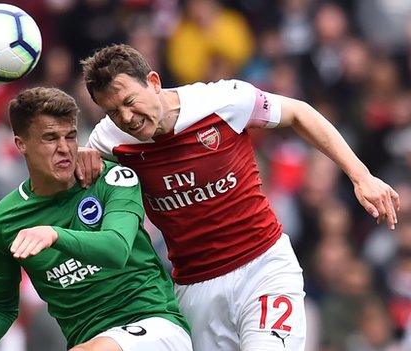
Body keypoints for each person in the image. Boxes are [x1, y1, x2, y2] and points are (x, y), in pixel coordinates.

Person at [77, 44, 401, 350]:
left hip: (262, 267)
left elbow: (299, 113)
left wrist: (362, 176)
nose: (127, 117)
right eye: (114, 111)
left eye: (130, 101)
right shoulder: (108, 139)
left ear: (153, 81)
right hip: (195, 288)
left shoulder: (222, 100)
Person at [0, 87, 192, 351]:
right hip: (87, 341)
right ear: (21, 144)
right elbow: (0, 306)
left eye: (71, 136)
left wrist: (54, 235)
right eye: (50, 138)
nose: (64, 148)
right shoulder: (1, 222)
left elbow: (116, 249)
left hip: (155, 326)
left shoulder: (110, 179)